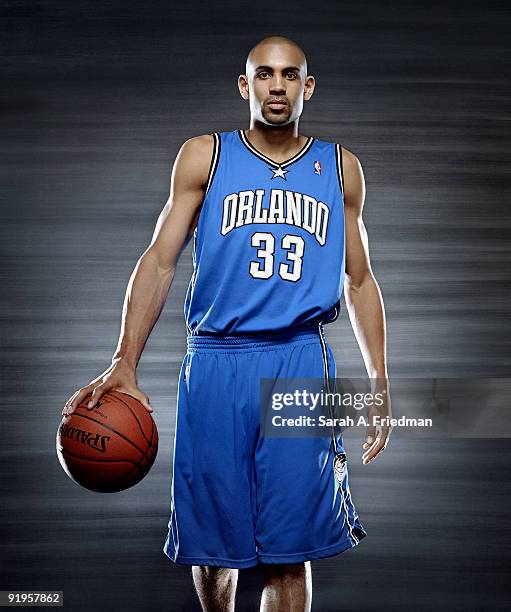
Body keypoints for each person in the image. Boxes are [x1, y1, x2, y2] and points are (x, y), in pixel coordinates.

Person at [62, 35, 391, 612]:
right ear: (246, 86)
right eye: (264, 74)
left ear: (306, 88)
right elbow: (160, 259)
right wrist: (124, 359)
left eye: (290, 76)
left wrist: (379, 380)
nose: (277, 86)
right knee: (214, 548)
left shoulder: (341, 168)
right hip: (215, 359)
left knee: (292, 552)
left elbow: (359, 280)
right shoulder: (204, 156)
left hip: (300, 364)